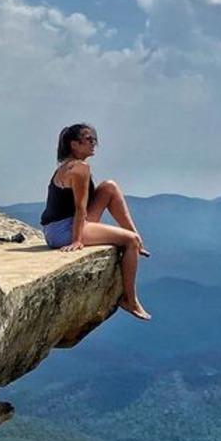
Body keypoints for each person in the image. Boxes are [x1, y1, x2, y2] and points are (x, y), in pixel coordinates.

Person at [40, 123, 152, 321]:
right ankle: (130, 300)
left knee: (110, 187)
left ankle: (138, 242)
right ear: (74, 144)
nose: (94, 143)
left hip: (60, 226)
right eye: (88, 139)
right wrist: (76, 240)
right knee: (129, 241)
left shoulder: (70, 165)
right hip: (63, 231)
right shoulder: (80, 169)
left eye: (94, 139)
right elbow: (80, 208)